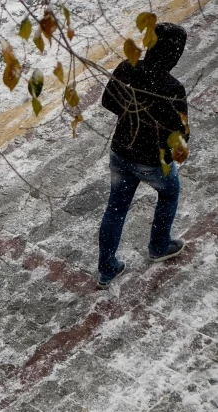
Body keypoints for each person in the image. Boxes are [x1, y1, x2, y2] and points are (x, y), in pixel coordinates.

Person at [97, 22, 189, 289]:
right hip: (150, 159)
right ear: (174, 53)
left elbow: (108, 101)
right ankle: (159, 245)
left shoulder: (128, 66)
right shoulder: (172, 87)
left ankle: (106, 268)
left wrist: (131, 114)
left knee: (115, 208)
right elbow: (181, 135)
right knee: (169, 192)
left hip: (121, 150)